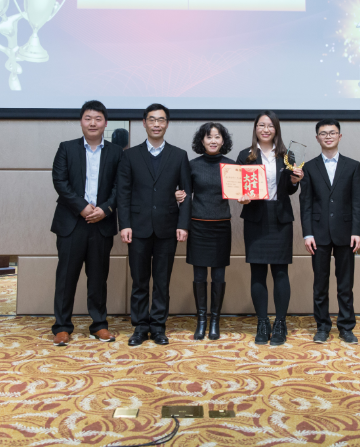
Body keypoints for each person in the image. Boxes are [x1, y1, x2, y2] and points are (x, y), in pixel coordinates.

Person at [116, 104, 192, 346]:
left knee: (162, 281)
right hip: (137, 228)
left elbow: (186, 194)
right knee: (139, 281)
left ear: (167, 123)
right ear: (144, 123)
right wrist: (124, 224)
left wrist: (183, 224)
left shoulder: (179, 155)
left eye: (161, 120)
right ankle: (140, 327)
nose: (156, 124)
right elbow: (123, 193)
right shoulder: (129, 155)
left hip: (167, 227)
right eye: (152, 119)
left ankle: (158, 326)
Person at [50, 100, 124, 346]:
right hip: (72, 222)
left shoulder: (116, 152)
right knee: (66, 277)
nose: (93, 123)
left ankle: (99, 325)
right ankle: (62, 327)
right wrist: (82, 207)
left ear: (105, 123)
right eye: (88, 118)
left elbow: (120, 187)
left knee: (98, 278)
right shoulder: (66, 148)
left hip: (101, 223)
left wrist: (106, 209)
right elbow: (60, 182)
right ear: (81, 121)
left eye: (98, 119)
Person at [236, 111, 303, 346]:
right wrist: (241, 197)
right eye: (261, 125)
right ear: (255, 128)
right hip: (256, 217)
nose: (265, 129)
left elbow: (290, 190)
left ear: (276, 129)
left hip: (280, 217)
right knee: (257, 272)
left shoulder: (287, 155)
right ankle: (263, 323)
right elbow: (238, 188)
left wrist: (294, 181)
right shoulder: (245, 155)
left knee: (280, 272)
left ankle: (281, 323)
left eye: (270, 125)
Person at [300, 119, 360, 344]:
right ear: (317, 138)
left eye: (332, 132)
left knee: (345, 284)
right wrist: (307, 233)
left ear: (340, 136)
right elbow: (306, 203)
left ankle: (346, 326)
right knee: (320, 284)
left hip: (346, 233)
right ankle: (322, 327)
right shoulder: (308, 167)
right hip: (318, 235)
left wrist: (357, 231)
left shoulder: (352, 165)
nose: (328, 136)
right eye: (323, 133)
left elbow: (357, 202)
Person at [174, 123, 235, 340]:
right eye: (209, 137)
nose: (213, 141)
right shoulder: (192, 165)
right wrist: (177, 196)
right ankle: (201, 320)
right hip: (198, 226)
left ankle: (215, 321)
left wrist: (244, 198)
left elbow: (240, 194)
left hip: (221, 226)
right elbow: (184, 196)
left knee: (219, 275)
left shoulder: (231, 166)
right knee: (199, 275)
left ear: (223, 141)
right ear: (202, 141)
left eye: (217, 137)